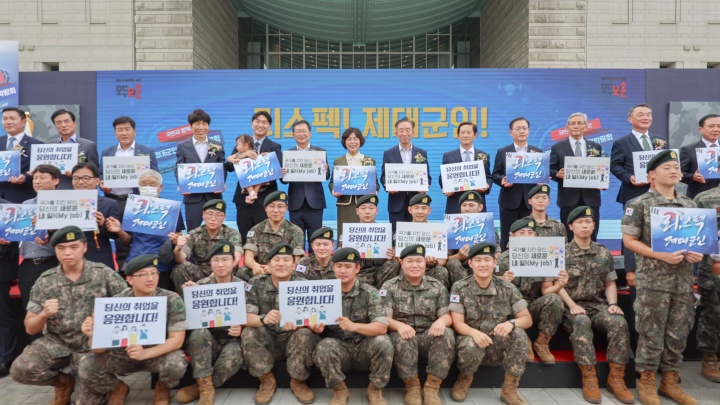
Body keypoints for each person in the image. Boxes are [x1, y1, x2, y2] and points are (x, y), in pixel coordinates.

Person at [9, 226, 127, 404]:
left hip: (90, 346)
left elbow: (128, 308)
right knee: (21, 368)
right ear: (55, 250)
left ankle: (115, 386)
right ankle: (64, 383)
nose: (67, 253)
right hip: (58, 342)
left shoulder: (103, 274)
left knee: (83, 402)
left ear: (84, 247)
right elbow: (30, 326)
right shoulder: (45, 281)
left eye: (74, 247)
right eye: (61, 248)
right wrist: (43, 315)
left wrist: (104, 324)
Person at [622, 150, 702, 405]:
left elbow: (696, 241)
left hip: (682, 282)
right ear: (652, 175)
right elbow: (629, 240)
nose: (674, 170)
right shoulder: (639, 203)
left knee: (678, 332)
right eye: (667, 167)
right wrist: (660, 255)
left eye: (676, 167)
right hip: (653, 281)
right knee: (650, 331)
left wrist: (696, 253)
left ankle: (670, 382)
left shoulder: (690, 205)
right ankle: (646, 382)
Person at [547, 206, 634, 404]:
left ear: (594, 225)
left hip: (598, 305)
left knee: (619, 322)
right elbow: (556, 284)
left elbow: (610, 282)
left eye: (588, 222)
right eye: (579, 222)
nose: (584, 226)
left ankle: (616, 378)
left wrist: (613, 304)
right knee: (581, 322)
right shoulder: (561, 253)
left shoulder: (603, 253)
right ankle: (589, 377)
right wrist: (571, 305)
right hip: (571, 307)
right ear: (570, 226)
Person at [79, 254, 188, 405]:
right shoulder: (117, 302)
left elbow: (177, 341)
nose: (150, 279)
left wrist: (145, 353)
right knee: (86, 364)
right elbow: (98, 350)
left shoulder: (171, 299)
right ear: (129, 279)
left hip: (156, 353)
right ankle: (116, 388)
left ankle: (162, 387)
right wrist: (93, 335)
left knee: (177, 362)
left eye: (153, 273)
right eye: (143, 274)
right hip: (124, 354)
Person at [449, 242, 533, 405]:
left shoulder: (507, 287)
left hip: (497, 343)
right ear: (470, 263)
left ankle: (509, 389)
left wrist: (511, 323)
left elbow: (527, 319)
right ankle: (464, 379)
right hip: (472, 344)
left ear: (495, 263)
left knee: (519, 334)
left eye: (487, 260)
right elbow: (458, 323)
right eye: (478, 260)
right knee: (470, 343)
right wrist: (474, 333)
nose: (483, 264)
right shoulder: (460, 287)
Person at [242, 243, 323, 405]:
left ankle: (298, 381)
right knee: (249, 332)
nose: (281, 264)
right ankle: (266, 380)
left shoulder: (304, 285)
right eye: (276, 260)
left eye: (286, 260)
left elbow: (315, 318)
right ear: (269, 265)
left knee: (305, 334)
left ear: (294, 265)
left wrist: (310, 325)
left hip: (293, 340)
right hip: (267, 339)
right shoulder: (255, 284)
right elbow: (244, 317)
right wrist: (262, 319)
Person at [312, 247, 392, 405]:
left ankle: (375, 389)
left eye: (347, 267)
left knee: (383, 342)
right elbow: (311, 319)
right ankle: (339, 389)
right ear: (333, 267)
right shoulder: (323, 291)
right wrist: (314, 327)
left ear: (357, 268)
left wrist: (354, 326)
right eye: (339, 266)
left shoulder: (369, 292)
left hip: (364, 347)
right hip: (339, 348)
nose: (342, 270)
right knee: (324, 345)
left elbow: (382, 327)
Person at [380, 244, 454, 405]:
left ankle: (432, 387)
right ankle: (412, 386)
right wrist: (399, 326)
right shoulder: (390, 286)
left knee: (447, 334)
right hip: (404, 336)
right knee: (402, 337)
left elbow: (447, 316)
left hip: (429, 336)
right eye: (410, 261)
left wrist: (441, 321)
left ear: (425, 262)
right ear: (401, 262)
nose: (415, 265)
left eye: (419, 261)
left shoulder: (437, 286)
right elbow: (383, 318)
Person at [176, 241, 246, 404]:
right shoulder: (199, 287)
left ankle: (203, 386)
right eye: (216, 260)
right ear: (210, 263)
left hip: (232, 339)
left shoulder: (243, 287)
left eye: (225, 259)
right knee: (199, 333)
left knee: (234, 356)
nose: (220, 264)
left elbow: (252, 313)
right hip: (209, 340)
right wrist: (188, 296)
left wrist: (242, 326)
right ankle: (205, 388)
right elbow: (188, 320)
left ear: (233, 261)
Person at [497, 217, 566, 365]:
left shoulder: (545, 255)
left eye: (530, 232)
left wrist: (560, 284)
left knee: (555, 299)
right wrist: (503, 281)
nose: (527, 236)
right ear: (512, 236)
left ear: (535, 235)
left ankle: (542, 342)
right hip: (513, 307)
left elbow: (547, 290)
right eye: (522, 232)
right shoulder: (503, 259)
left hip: (534, 305)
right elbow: (495, 294)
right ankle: (525, 341)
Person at [106, 169, 185, 290]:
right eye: (143, 184)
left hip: (162, 265)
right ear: (138, 187)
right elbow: (128, 240)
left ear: (160, 187)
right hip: (136, 262)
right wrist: (119, 231)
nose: (147, 187)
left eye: (152, 184)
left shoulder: (171, 209)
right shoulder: (133, 207)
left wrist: (176, 241)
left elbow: (179, 238)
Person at [99, 115, 159, 269]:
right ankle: (124, 273)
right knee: (121, 239)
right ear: (115, 133)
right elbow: (101, 175)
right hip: (115, 201)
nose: (124, 133)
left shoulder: (146, 152)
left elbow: (155, 177)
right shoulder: (108, 152)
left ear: (134, 132)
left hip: (137, 201)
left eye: (127, 129)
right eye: (120, 130)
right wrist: (102, 184)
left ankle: (144, 269)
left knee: (140, 238)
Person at [227, 111, 282, 245]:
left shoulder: (274, 147)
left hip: (266, 200)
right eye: (257, 121)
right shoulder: (242, 143)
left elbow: (278, 171)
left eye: (264, 123)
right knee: (245, 236)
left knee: (265, 239)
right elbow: (229, 166)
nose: (260, 125)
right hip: (243, 198)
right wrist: (244, 154)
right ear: (252, 124)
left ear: (269, 127)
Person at [18, 165, 62, 331]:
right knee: (31, 313)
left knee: (58, 313)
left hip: (54, 264)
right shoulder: (25, 205)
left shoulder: (66, 204)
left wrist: (50, 229)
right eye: (35, 178)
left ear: (56, 180)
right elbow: (17, 232)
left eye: (43, 177)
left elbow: (71, 236)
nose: (37, 181)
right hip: (28, 265)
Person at [491, 117, 544, 251]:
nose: (522, 131)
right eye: (518, 129)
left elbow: (542, 175)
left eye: (524, 128)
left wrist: (542, 180)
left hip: (530, 202)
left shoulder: (537, 152)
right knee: (507, 236)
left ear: (529, 131)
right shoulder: (503, 152)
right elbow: (495, 174)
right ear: (511, 132)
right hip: (509, 201)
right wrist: (502, 180)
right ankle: (506, 267)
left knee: (529, 235)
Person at [550, 112, 603, 240]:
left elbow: (600, 168)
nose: (576, 126)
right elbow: (550, 169)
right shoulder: (557, 147)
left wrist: (602, 180)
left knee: (591, 234)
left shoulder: (595, 147)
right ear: (567, 127)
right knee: (568, 236)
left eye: (580, 123)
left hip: (591, 197)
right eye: (572, 123)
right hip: (568, 198)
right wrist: (557, 174)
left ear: (586, 126)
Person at [171, 199, 242, 291]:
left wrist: (218, 272)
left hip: (226, 271)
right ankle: (187, 300)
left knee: (242, 270)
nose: (213, 218)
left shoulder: (232, 233)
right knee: (180, 267)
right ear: (203, 214)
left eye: (218, 215)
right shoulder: (194, 234)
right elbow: (180, 258)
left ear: (224, 217)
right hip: (202, 272)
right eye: (210, 214)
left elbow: (237, 256)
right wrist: (178, 248)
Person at [176, 109, 228, 230]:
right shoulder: (183, 146)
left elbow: (222, 166)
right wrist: (182, 185)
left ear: (208, 126)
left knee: (216, 230)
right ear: (190, 126)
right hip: (192, 197)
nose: (201, 127)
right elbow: (179, 168)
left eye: (204, 124)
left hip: (213, 196)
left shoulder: (217, 145)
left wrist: (221, 183)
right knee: (193, 230)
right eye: (197, 124)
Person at [282, 120, 329, 252]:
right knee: (297, 238)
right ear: (293, 134)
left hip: (315, 202)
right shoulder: (288, 154)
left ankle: (314, 265)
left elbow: (325, 176)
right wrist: (283, 173)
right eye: (298, 131)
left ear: (310, 134)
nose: (301, 134)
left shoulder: (320, 151)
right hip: (295, 201)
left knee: (316, 238)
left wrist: (326, 170)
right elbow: (284, 181)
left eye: (304, 131)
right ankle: (298, 267)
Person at [236, 191, 305, 281]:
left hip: (283, 269)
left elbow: (296, 261)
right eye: (271, 206)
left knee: (300, 272)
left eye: (280, 206)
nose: (276, 210)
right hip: (261, 270)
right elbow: (248, 257)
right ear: (265, 208)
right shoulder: (256, 230)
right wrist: (255, 266)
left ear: (286, 208)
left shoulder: (295, 231)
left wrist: (274, 268)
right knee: (242, 272)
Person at [691, 178, 720, 383]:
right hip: (712, 267)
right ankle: (709, 355)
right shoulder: (704, 199)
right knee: (713, 311)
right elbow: (693, 234)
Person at [380, 117, 431, 231]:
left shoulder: (421, 153)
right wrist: (387, 186)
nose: (404, 133)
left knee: (415, 234)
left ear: (413, 133)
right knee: (396, 236)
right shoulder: (388, 153)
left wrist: (426, 185)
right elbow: (384, 176)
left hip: (417, 204)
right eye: (401, 130)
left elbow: (427, 176)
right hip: (396, 203)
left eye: (408, 130)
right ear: (396, 133)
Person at [329, 127, 379, 239]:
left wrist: (374, 190)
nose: (352, 142)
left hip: (364, 204)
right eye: (349, 139)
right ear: (344, 142)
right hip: (345, 203)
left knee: (364, 234)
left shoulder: (369, 160)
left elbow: (375, 183)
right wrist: (333, 190)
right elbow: (332, 182)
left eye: (355, 139)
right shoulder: (338, 161)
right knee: (345, 233)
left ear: (360, 141)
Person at [70, 162, 121, 269]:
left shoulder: (109, 204)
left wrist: (103, 223)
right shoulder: (63, 202)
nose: (80, 182)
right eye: (76, 178)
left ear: (97, 181)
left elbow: (115, 236)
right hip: (70, 258)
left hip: (99, 258)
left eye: (85, 178)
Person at [445, 191, 502, 287]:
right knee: (453, 262)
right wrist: (458, 256)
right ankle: (461, 291)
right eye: (464, 205)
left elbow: (497, 253)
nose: (467, 209)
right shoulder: (452, 227)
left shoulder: (488, 227)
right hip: (460, 267)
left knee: (496, 263)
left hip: (482, 264)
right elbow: (446, 259)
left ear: (480, 207)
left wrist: (482, 254)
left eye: (471, 205)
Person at [440, 121, 492, 214]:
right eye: (462, 132)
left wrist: (487, 186)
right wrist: (446, 188)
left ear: (475, 135)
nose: (465, 135)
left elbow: (488, 176)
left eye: (468, 132)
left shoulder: (483, 155)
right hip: (455, 202)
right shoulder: (448, 156)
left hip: (477, 202)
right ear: (458, 135)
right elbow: (443, 177)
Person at [348, 194, 398, 288]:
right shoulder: (350, 231)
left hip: (381, 270)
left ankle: (383, 294)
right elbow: (340, 253)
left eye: (371, 208)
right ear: (357, 211)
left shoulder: (385, 231)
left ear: (376, 211)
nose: (367, 212)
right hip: (359, 271)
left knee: (393, 264)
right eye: (363, 208)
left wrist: (392, 253)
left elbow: (396, 250)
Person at [405, 194, 450, 289]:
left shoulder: (438, 231)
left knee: (441, 270)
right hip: (409, 267)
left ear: (429, 210)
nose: (420, 212)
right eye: (416, 208)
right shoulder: (402, 231)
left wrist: (433, 262)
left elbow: (443, 260)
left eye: (424, 208)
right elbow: (398, 257)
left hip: (431, 267)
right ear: (410, 210)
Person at [0, 107, 45, 203]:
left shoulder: (37, 144)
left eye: (12, 118)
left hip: (22, 196)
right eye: (4, 119)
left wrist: (25, 177)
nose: (8, 122)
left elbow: (40, 170)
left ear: (24, 122)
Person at [49, 108, 99, 190]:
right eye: (59, 123)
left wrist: (76, 174)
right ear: (55, 126)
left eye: (66, 121)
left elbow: (94, 172)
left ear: (74, 123)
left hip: (79, 190)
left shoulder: (88, 145)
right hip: (54, 190)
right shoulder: (48, 145)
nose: (63, 125)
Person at [680, 113, 720, 199]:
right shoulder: (688, 150)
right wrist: (693, 177)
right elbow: (680, 174)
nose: (716, 129)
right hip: (699, 198)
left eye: (719, 126)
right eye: (711, 126)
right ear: (700, 129)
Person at [232, 134, 263, 203]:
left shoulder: (256, 152)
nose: (236, 147)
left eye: (238, 145)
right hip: (247, 173)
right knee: (245, 177)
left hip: (256, 173)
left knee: (260, 179)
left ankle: (254, 193)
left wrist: (264, 155)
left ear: (245, 145)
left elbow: (260, 159)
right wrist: (241, 156)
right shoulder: (239, 153)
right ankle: (252, 193)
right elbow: (230, 158)